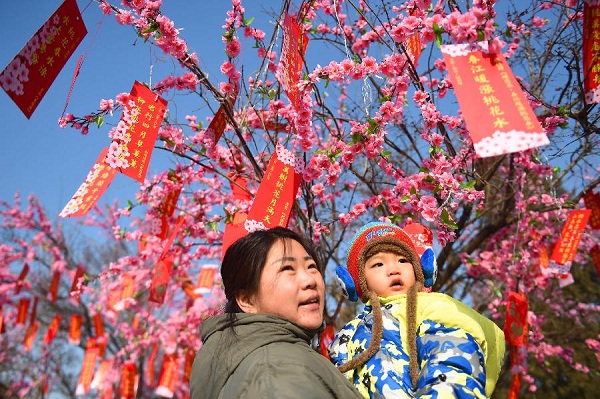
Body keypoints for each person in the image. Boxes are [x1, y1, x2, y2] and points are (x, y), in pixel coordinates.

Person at [329, 221, 506, 398]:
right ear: (354, 283)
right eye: (378, 264)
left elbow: (452, 360)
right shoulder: (348, 332)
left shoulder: (431, 309)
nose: (394, 269)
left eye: (403, 260)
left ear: (420, 270)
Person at [190, 227, 362, 399]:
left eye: (311, 266)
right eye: (287, 268)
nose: (310, 280)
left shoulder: (259, 363)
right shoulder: (277, 369)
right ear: (247, 300)